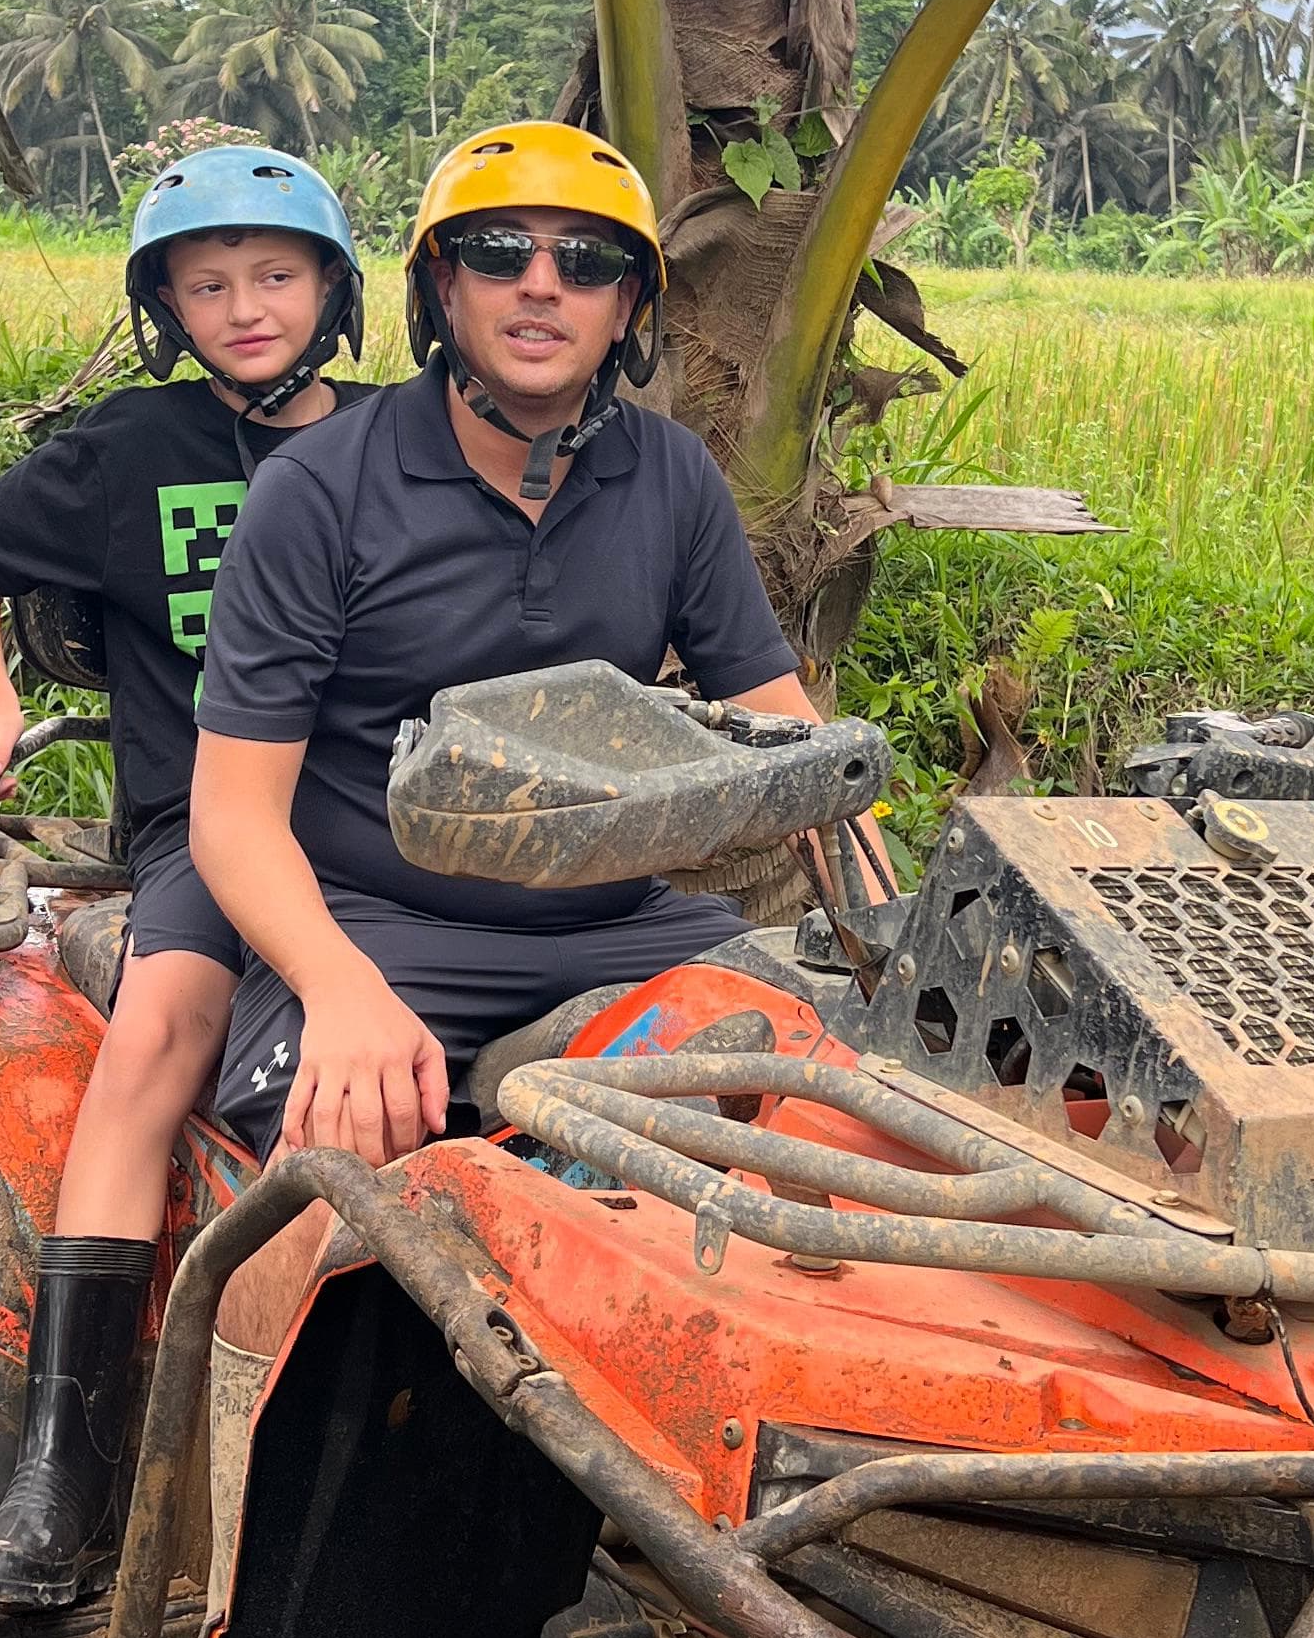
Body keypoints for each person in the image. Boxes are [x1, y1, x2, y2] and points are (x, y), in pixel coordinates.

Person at [190, 119, 833, 1163]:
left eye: (585, 263)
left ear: (626, 307)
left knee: (833, 1093)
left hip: (622, 921)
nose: (542, 285)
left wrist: (894, 933)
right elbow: (232, 813)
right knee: (339, 1157)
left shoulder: (671, 477)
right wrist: (341, 988)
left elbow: (791, 740)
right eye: (500, 253)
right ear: (443, 288)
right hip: (381, 927)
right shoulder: (318, 490)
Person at [0, 144, 368, 1607]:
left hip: (378, 819)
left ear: (335, 292)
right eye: (210, 282)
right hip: (203, 816)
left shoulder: (399, 440)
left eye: (277, 276)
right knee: (163, 1030)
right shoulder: (129, 448)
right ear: (169, 305)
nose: (248, 306)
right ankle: (61, 1474)